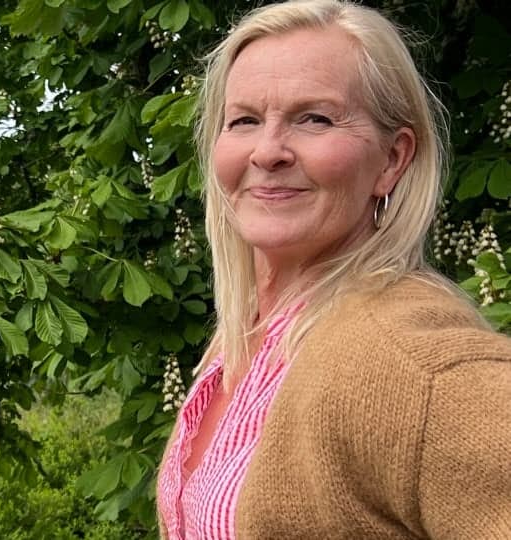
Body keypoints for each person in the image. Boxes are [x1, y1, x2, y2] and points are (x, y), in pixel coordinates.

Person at [155, 0, 511, 538]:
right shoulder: (246, 337)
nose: (268, 151)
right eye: (244, 120)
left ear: (391, 160)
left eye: (314, 118)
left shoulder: (409, 359)